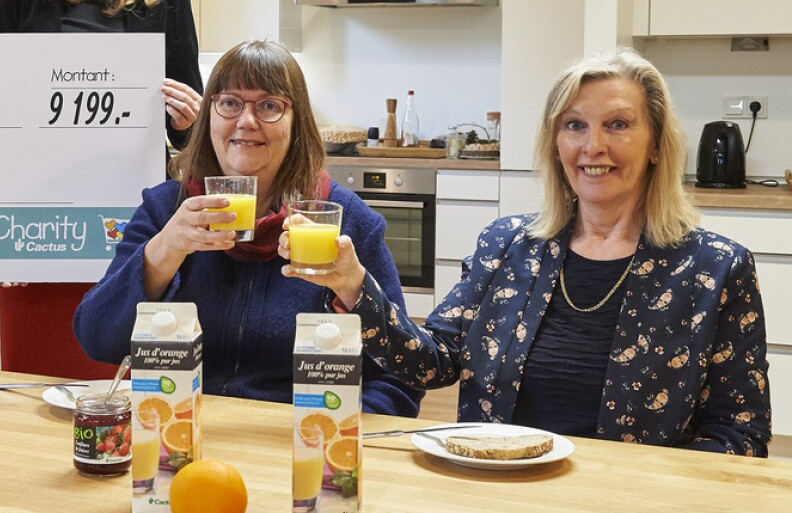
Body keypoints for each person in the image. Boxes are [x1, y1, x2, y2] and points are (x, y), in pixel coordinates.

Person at [287, 48, 770, 454]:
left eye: (618, 124)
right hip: (499, 489)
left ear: (658, 146)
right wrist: (353, 284)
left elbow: (740, 433)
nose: (592, 146)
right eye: (575, 125)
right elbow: (432, 362)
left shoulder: (714, 268)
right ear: (555, 142)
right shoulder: (507, 245)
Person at [75, 40, 422, 415]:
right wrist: (163, 252)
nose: (246, 121)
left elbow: (402, 377)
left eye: (269, 106)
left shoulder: (344, 223)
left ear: (297, 123)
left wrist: (331, 430)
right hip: (178, 435)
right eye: (229, 103)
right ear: (209, 114)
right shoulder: (165, 210)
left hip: (296, 449)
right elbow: (97, 341)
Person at [0, 0, 203, 378]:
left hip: (136, 226)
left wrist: (190, 122)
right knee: (32, 378)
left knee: (127, 376)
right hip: (37, 221)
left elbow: (187, 134)